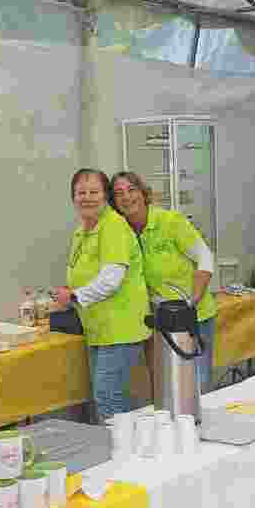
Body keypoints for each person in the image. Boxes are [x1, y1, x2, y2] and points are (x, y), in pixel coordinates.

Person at [54, 168, 150, 423]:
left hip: (121, 328)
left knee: (108, 396)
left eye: (94, 192)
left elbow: (111, 280)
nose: (87, 198)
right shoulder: (83, 230)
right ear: (73, 197)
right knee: (107, 396)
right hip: (99, 329)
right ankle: (121, 441)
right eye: (81, 192)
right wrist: (68, 293)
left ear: (105, 195)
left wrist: (74, 296)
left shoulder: (113, 226)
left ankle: (122, 445)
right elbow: (81, 274)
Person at [111, 171, 216, 394]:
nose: (126, 197)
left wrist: (192, 301)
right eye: (118, 193)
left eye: (132, 190)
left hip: (192, 316)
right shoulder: (121, 232)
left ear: (143, 193)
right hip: (159, 322)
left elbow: (205, 257)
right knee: (166, 388)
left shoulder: (169, 221)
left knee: (196, 388)